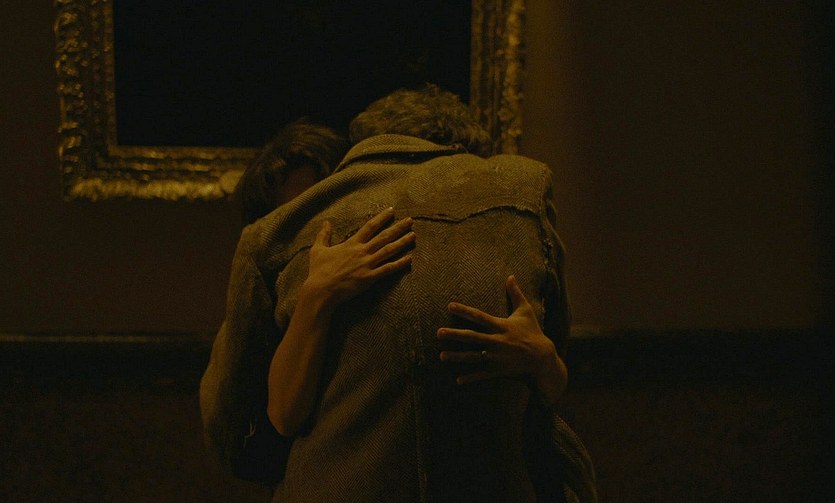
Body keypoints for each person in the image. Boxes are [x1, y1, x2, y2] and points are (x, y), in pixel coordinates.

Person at [201, 85, 596, 502]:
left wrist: (542, 359)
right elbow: (269, 418)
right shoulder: (281, 258)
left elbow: (547, 392)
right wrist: (316, 295)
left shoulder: (479, 229)